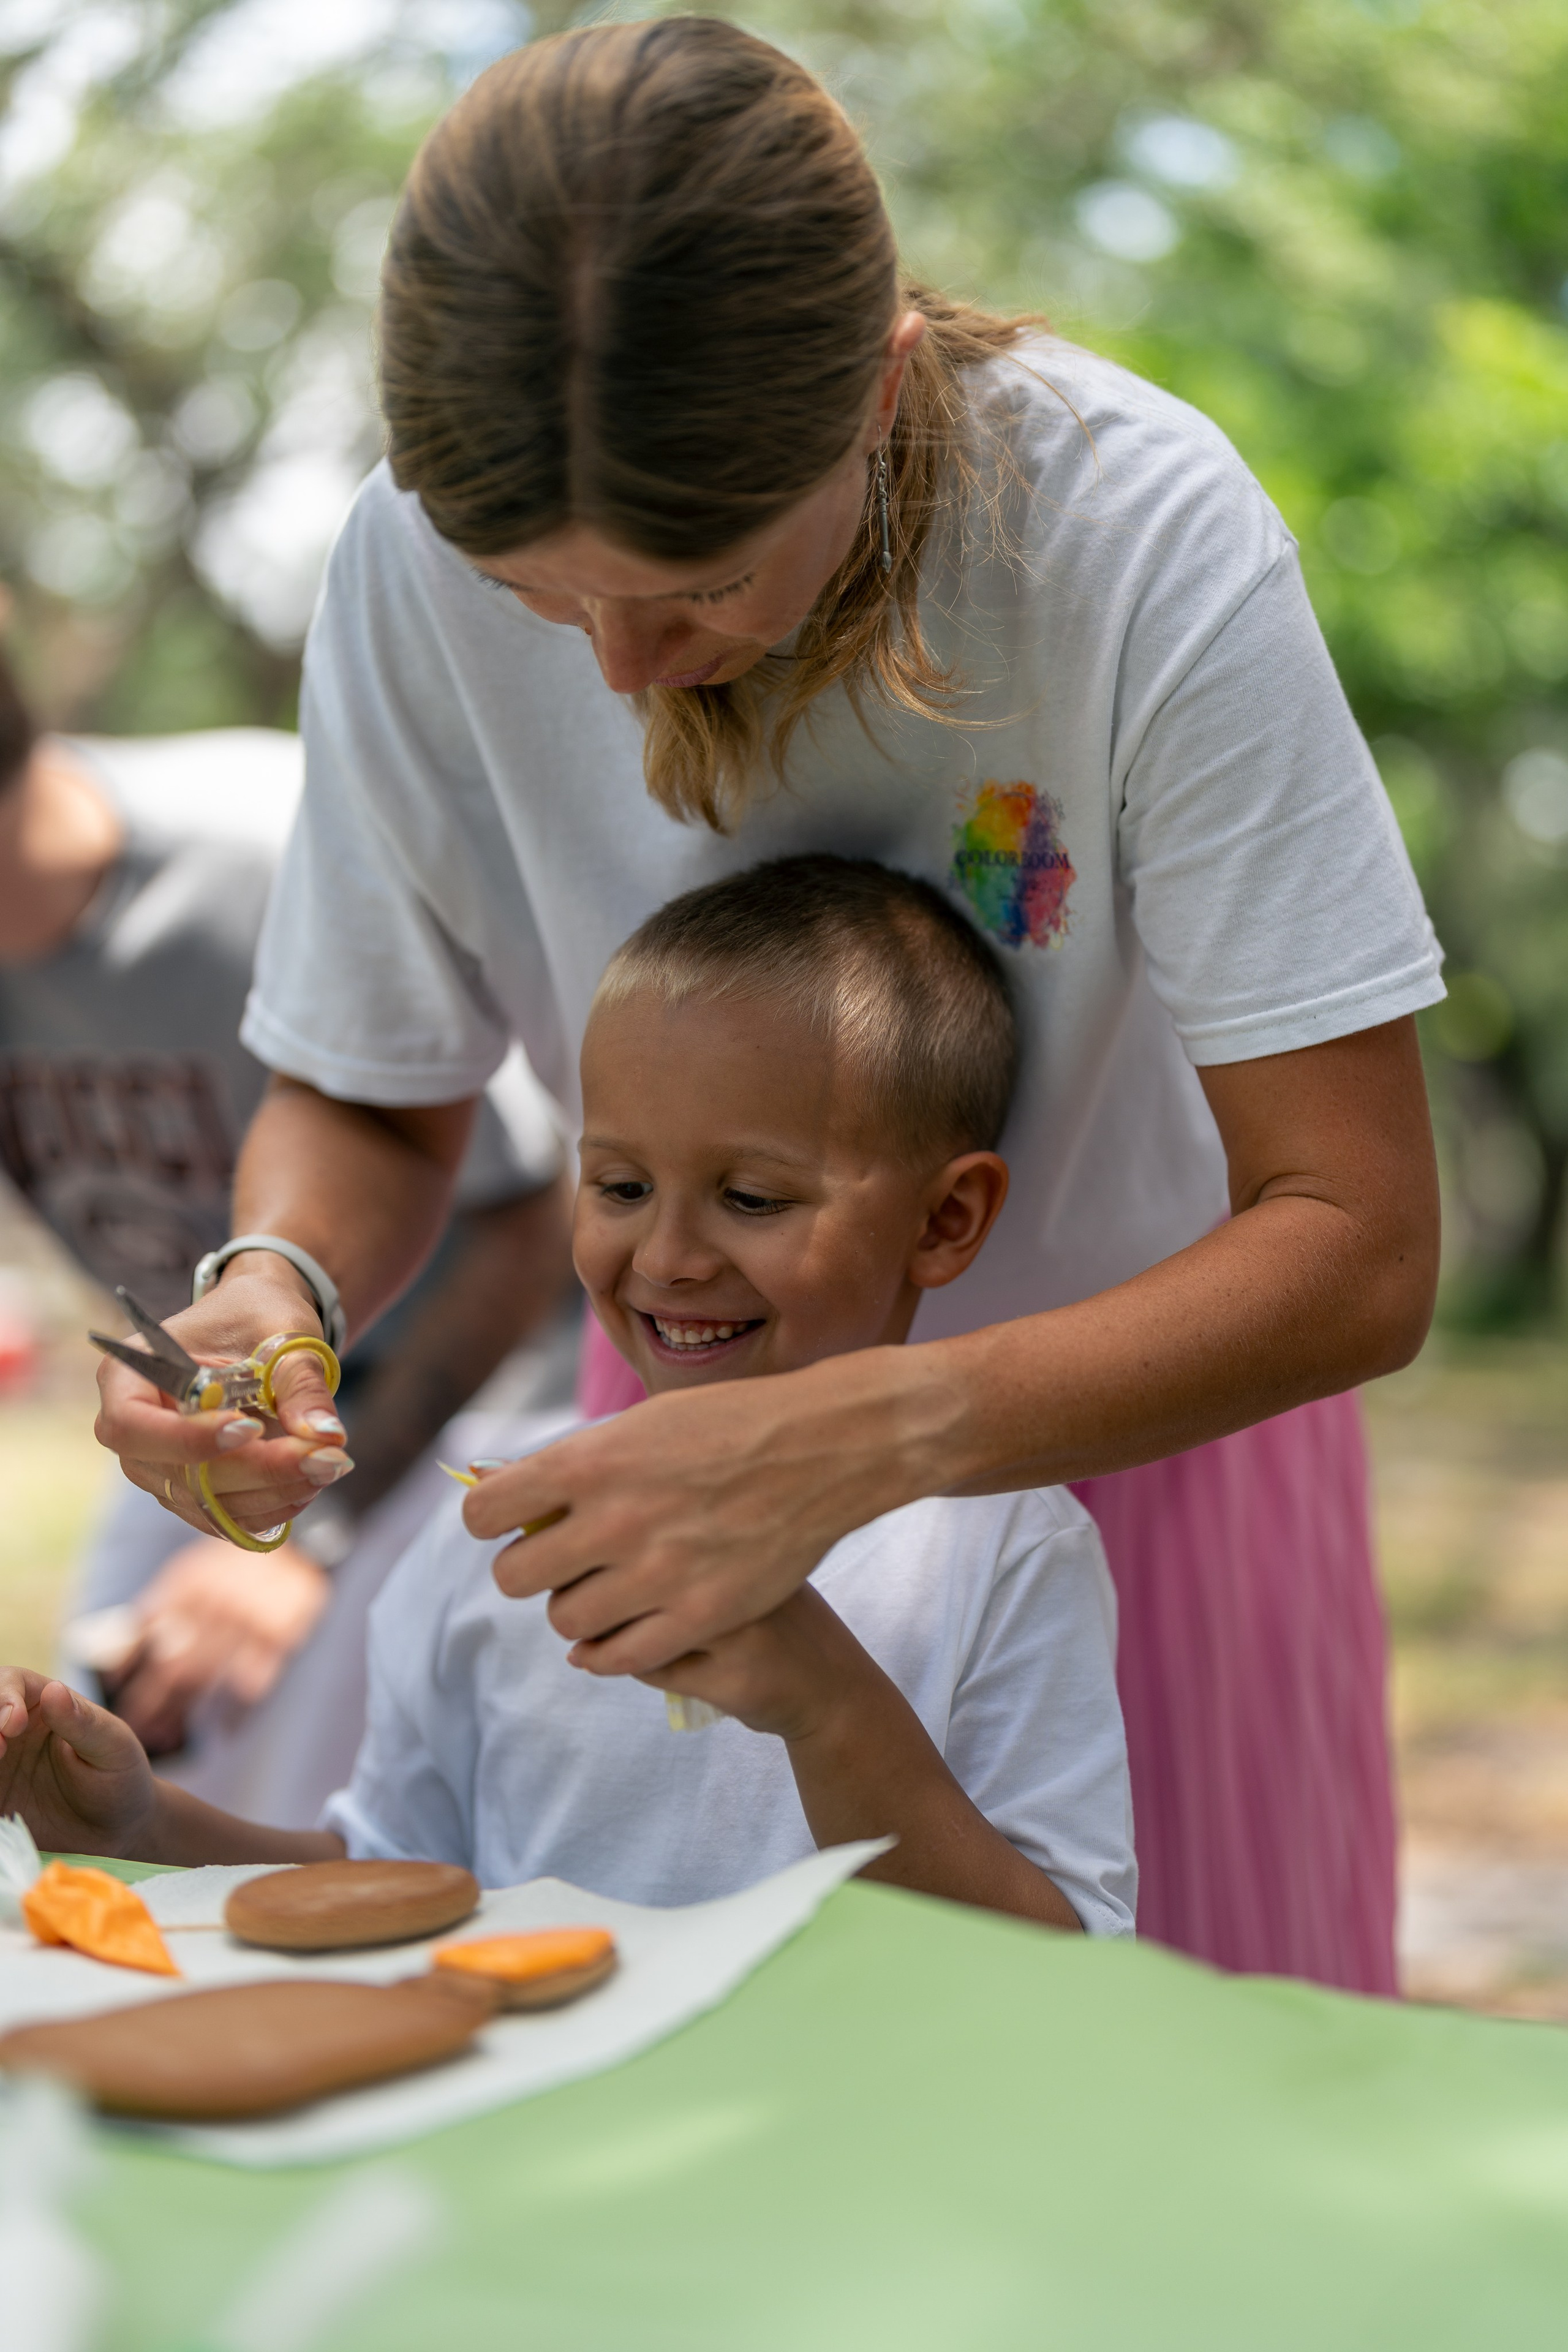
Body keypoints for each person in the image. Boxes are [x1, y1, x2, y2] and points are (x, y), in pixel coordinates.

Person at [92, 21, 1442, 1989]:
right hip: (680, 1446)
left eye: (704, 582)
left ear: (876, 395)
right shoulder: (404, 563)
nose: (622, 669)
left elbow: (1360, 1236)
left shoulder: (1135, 536)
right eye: (539, 595)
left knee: (1160, 2105)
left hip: (1151, 1445)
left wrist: (863, 1439)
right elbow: (378, 1085)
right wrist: (276, 1285)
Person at [1, 858, 1136, 1934]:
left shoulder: (1004, 1546)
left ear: (944, 1220)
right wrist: (139, 1831)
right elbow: (398, 1882)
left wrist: (826, 1704)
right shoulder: (488, 1533)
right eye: (623, 1187)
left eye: (751, 1198)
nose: (669, 1257)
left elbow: (1060, 1965)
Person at [0, 656, 576, 1823]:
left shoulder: (260, 854)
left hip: (480, 1398)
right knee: (80, 1775)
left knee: (291, 1794)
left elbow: (530, 1214)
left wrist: (318, 1538)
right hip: (229, 1399)